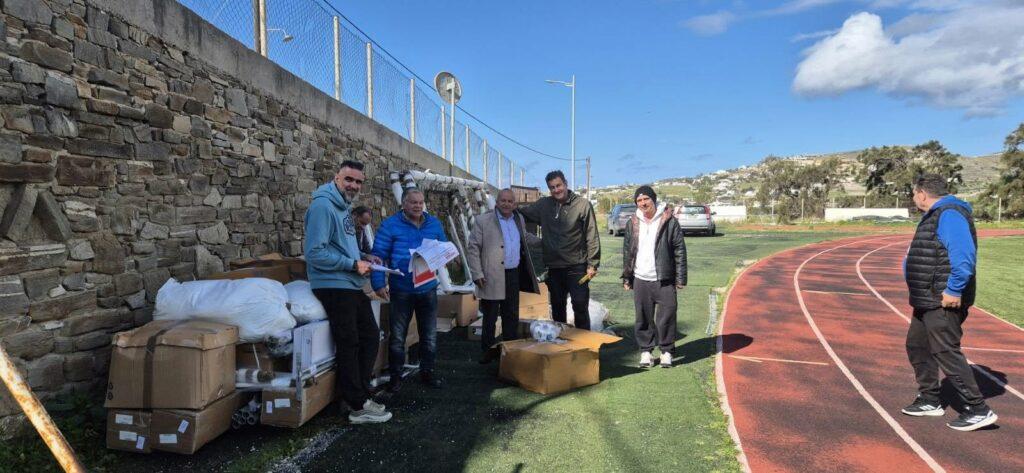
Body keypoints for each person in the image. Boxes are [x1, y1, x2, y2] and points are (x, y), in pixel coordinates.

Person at [900, 174, 997, 431]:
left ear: (922, 194)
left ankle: (978, 409)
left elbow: (963, 255)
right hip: (926, 297)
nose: (914, 198)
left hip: (942, 299)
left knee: (945, 350)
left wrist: (953, 289)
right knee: (917, 345)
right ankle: (929, 399)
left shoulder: (950, 214)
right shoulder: (934, 215)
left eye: (914, 194)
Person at [304, 160, 391, 424]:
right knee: (350, 341)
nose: (353, 185)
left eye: (358, 181)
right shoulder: (323, 206)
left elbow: (339, 245)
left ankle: (360, 394)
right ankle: (357, 405)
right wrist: (353, 264)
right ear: (336, 178)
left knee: (370, 336)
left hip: (349, 283)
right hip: (333, 284)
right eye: (349, 179)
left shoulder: (343, 206)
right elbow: (315, 253)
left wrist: (364, 256)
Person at [371, 188, 448, 392]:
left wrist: (447, 255)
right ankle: (395, 377)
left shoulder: (434, 223)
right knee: (398, 337)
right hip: (401, 289)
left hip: (428, 288)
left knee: (429, 335)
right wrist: (378, 283)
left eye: (421, 202)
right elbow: (378, 255)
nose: (418, 206)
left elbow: (443, 247)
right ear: (403, 204)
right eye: (413, 202)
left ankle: (427, 372)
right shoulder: (390, 225)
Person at [466, 189, 541, 363]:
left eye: (510, 201)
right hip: (490, 275)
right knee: (490, 316)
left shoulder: (518, 219)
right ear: (497, 202)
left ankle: (509, 351)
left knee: (511, 315)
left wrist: (545, 242)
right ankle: (487, 352)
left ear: (515, 204)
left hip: (513, 274)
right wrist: (477, 273)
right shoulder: (483, 220)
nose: (506, 204)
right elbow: (473, 248)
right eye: (503, 200)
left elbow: (525, 237)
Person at [520, 170, 601, 330]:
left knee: (580, 305)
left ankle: (583, 340)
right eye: (552, 187)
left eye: (558, 185)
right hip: (554, 267)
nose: (556, 190)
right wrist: (503, 208)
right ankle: (561, 338)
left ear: (565, 184)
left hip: (576, 266)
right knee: (557, 307)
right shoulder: (544, 205)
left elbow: (592, 234)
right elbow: (523, 213)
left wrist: (593, 263)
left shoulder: (582, 205)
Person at [621, 186, 686, 368]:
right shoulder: (633, 222)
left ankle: (666, 352)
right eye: (639, 201)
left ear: (653, 199)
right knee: (643, 317)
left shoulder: (669, 221)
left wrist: (680, 278)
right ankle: (646, 352)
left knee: (667, 316)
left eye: (646, 199)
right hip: (640, 278)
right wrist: (627, 277)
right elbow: (627, 252)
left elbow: (679, 249)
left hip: (664, 278)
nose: (643, 203)